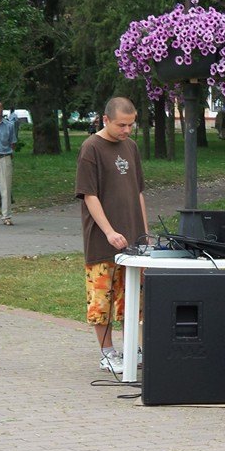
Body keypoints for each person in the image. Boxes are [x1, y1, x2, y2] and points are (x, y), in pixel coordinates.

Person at [74, 97, 148, 374]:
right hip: (102, 240)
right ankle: (107, 352)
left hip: (132, 239)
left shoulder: (131, 147)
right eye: (121, 125)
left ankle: (133, 347)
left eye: (131, 125)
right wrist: (109, 231)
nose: (127, 130)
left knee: (134, 297)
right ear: (105, 120)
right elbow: (89, 195)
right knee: (101, 297)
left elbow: (138, 191)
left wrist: (144, 232)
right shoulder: (91, 147)